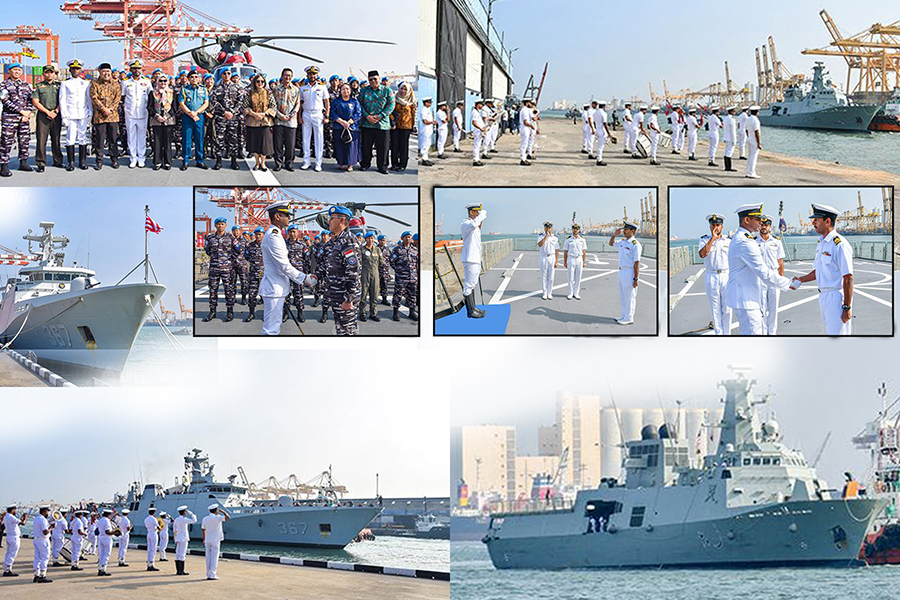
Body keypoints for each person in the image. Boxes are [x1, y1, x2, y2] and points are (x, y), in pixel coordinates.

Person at [725, 203, 792, 335]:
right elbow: (763, 272)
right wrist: (788, 283)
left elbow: (778, 262)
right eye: (757, 219)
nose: (760, 222)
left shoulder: (741, 238)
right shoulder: (746, 242)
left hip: (746, 297)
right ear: (747, 220)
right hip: (746, 299)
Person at [791, 203, 854, 335]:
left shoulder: (839, 244)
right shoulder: (822, 243)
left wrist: (846, 307)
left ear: (828, 221)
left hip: (836, 298)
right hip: (824, 296)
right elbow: (818, 271)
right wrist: (800, 279)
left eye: (816, 219)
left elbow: (848, 277)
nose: (813, 223)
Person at [260, 202, 316, 335]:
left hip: (277, 288)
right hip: (274, 288)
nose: (289, 218)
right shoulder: (273, 236)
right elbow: (284, 266)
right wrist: (305, 279)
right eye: (286, 215)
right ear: (277, 216)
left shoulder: (276, 235)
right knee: (270, 330)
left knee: (275, 326)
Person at [319, 206, 361, 335]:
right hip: (337, 295)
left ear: (342, 220)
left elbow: (353, 272)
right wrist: (317, 275)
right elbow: (332, 266)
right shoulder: (338, 240)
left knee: (347, 331)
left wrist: (349, 298)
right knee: (341, 329)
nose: (329, 221)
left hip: (344, 297)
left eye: (332, 218)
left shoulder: (348, 240)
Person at [698, 213, 732, 335]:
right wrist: (712, 239)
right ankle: (718, 334)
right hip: (711, 276)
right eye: (713, 225)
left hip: (726, 275)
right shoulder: (704, 240)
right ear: (710, 226)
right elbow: (702, 254)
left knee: (727, 308)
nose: (715, 227)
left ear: (722, 227)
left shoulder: (729, 240)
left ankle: (727, 334)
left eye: (718, 225)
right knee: (715, 309)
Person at [58, 60, 93, 172]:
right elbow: (62, 100)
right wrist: (64, 117)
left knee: (83, 138)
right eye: (73, 68)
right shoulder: (65, 83)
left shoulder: (86, 83)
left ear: (80, 70)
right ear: (70, 70)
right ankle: (71, 162)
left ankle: (82, 161)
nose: (75, 70)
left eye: (77, 68)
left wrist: (90, 114)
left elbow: (89, 99)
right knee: (70, 138)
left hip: (83, 114)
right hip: (71, 114)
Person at [0, 63, 34, 176]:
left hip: (24, 118)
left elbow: (30, 100)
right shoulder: (4, 85)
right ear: (9, 71)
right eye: (14, 70)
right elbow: (5, 100)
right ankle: (4, 166)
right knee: (6, 141)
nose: (17, 72)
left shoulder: (25, 85)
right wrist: (21, 111)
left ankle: (23, 162)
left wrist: (28, 113)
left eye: (19, 70)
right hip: (9, 118)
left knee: (24, 140)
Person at [358, 70, 395, 174]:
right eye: (370, 79)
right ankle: (365, 164)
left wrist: (380, 116)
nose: (373, 81)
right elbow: (359, 104)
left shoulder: (387, 91)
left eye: (375, 79)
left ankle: (382, 166)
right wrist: (367, 116)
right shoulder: (364, 91)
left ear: (379, 79)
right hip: (367, 123)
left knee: (383, 148)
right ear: (368, 80)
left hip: (382, 124)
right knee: (366, 146)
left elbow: (391, 105)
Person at [203, 217, 237, 323]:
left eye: (222, 224)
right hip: (214, 268)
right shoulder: (210, 238)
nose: (220, 226)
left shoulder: (231, 238)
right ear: (215, 226)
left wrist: (228, 260)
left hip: (227, 268)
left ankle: (230, 311)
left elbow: (238, 250)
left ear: (226, 225)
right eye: (218, 224)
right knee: (213, 290)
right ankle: (212, 311)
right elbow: (207, 250)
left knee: (228, 290)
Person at [756, 215, 786, 335]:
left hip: (774, 275)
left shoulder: (776, 242)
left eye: (766, 225)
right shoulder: (754, 242)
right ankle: (763, 333)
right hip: (761, 278)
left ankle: (772, 333)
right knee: (761, 308)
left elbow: (780, 262)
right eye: (762, 225)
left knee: (773, 308)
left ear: (770, 227)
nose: (764, 227)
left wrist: (781, 279)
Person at [31, 64, 63, 172]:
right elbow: (35, 101)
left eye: (51, 72)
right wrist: (47, 112)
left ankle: (58, 160)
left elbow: (62, 100)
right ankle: (41, 163)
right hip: (43, 116)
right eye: (47, 72)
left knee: (56, 139)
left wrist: (56, 111)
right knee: (41, 140)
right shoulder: (39, 86)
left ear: (54, 73)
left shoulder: (59, 85)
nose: (49, 74)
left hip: (56, 115)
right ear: (43, 74)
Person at [89, 63, 121, 171]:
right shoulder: (94, 84)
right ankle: (99, 160)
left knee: (113, 139)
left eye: (108, 71)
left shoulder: (116, 84)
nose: (106, 73)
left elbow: (117, 98)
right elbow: (94, 98)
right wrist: (104, 109)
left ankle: (114, 159)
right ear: (100, 72)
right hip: (100, 117)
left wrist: (110, 109)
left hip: (113, 116)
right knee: (100, 140)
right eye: (104, 71)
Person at [297, 66, 329, 172]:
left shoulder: (322, 87)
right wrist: (299, 116)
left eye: (314, 74)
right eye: (310, 74)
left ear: (317, 75)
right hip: (306, 113)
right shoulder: (303, 88)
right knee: (306, 139)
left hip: (318, 114)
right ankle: (306, 162)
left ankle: (318, 163)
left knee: (319, 139)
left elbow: (327, 103)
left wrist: (327, 116)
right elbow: (300, 104)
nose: (312, 76)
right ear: (307, 75)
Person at [121, 59, 152, 168]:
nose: (137, 70)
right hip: (130, 113)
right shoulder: (125, 82)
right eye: (134, 68)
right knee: (131, 136)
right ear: (131, 69)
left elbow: (151, 97)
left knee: (142, 136)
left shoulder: (147, 82)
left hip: (143, 112)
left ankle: (141, 158)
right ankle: (133, 158)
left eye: (139, 68)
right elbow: (123, 96)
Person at [610, 221, 642, 325]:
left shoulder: (635, 245)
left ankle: (629, 317)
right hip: (621, 271)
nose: (624, 231)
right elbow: (611, 244)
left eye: (626, 229)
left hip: (629, 272)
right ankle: (624, 315)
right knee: (623, 295)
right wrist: (614, 235)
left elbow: (636, 263)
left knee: (629, 296)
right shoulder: (623, 242)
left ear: (632, 231)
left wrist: (636, 279)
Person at [212, 69, 244, 170]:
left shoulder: (237, 87)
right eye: (224, 74)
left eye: (228, 73)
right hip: (221, 117)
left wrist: (232, 112)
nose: (226, 75)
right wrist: (224, 112)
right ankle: (219, 161)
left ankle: (234, 161)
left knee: (233, 140)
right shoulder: (216, 87)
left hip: (233, 118)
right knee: (219, 140)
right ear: (221, 75)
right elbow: (213, 101)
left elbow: (240, 101)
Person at [243, 74, 275, 171]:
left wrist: (264, 114)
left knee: (264, 145)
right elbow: (245, 107)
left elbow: (273, 106)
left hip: (265, 122)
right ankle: (257, 163)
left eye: (262, 81)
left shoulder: (268, 93)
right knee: (255, 144)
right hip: (253, 122)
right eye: (258, 81)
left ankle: (263, 163)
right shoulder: (249, 93)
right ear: (254, 82)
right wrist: (254, 114)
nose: (260, 83)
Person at [178, 69, 209, 170]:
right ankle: (186, 161)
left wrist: (197, 112)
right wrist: (191, 114)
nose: (194, 79)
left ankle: (200, 161)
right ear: (188, 78)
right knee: (186, 139)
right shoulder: (184, 89)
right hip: (187, 117)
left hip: (199, 117)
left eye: (196, 77)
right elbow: (182, 103)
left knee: (199, 139)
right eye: (192, 77)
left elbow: (206, 103)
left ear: (199, 78)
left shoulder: (203, 89)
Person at [461, 203, 487, 318]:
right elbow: (474, 224)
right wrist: (482, 215)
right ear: (471, 212)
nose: (479, 215)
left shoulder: (474, 226)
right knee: (469, 285)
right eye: (477, 212)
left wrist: (481, 216)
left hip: (475, 258)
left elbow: (477, 224)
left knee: (472, 284)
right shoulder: (466, 223)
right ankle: (470, 311)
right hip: (470, 259)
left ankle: (473, 307)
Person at [271, 68, 300, 172]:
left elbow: (297, 105)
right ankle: (278, 163)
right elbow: (273, 104)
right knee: (278, 144)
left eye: (289, 76)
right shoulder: (276, 89)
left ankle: (289, 163)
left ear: (291, 77)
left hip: (291, 121)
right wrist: (280, 115)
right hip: (278, 120)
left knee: (290, 144)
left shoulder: (296, 89)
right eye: (285, 75)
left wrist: (290, 115)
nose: (287, 77)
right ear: (282, 76)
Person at [147, 73, 177, 170]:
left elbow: (175, 108)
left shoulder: (172, 92)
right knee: (157, 142)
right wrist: (157, 116)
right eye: (160, 81)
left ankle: (168, 162)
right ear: (157, 82)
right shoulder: (152, 93)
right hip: (156, 121)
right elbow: (149, 107)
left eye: (164, 81)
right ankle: (157, 161)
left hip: (169, 121)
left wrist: (167, 116)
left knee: (167, 142)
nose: (163, 83)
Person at [332, 82, 362, 172]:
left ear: (350, 90)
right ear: (340, 91)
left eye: (347, 89)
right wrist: (341, 122)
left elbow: (358, 113)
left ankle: (350, 164)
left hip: (352, 127)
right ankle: (341, 162)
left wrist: (349, 122)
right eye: (343, 89)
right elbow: (332, 113)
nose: (345, 91)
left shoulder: (354, 101)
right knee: (340, 145)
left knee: (351, 146)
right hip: (339, 126)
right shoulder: (336, 101)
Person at [390, 231, 418, 322]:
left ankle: (412, 312)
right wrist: (398, 270)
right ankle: (395, 312)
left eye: (409, 237)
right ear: (402, 238)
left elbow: (417, 263)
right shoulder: (397, 249)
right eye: (405, 237)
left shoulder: (414, 249)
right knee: (398, 294)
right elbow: (392, 261)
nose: (407, 238)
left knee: (412, 295)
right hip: (401, 277)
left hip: (412, 277)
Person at [201, 504, 230, 581]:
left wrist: (204, 539)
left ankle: (208, 574)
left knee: (208, 558)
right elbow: (228, 518)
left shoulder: (205, 519)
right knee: (214, 557)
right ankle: (212, 574)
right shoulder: (218, 518)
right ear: (216, 510)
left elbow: (203, 529)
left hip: (207, 540)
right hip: (215, 540)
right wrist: (223, 511)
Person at [359, 232, 382, 322]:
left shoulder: (377, 250)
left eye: (372, 238)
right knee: (363, 295)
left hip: (375, 274)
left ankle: (373, 313)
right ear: (365, 239)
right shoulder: (362, 250)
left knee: (374, 295)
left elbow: (381, 262)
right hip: (364, 274)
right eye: (369, 238)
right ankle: (362, 313)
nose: (370, 240)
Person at [244, 227, 265, 322]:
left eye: (260, 234)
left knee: (266, 296)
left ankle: (266, 314)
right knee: (252, 295)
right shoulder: (250, 245)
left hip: (265, 275)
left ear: (263, 235)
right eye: (256, 234)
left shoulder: (267, 245)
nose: (258, 236)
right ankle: (251, 313)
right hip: (253, 273)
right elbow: (246, 256)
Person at [31, 506, 54, 584]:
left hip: (36, 539)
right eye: (47, 511)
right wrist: (51, 527)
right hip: (43, 540)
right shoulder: (43, 519)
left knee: (37, 558)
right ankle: (42, 575)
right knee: (44, 558)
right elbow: (45, 532)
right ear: (44, 511)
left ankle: (36, 575)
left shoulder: (37, 518)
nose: (48, 513)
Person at [564, 224, 587, 300]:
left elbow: (584, 251)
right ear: (572, 230)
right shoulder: (568, 239)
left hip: (579, 259)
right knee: (570, 277)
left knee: (578, 277)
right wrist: (565, 262)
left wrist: (584, 261)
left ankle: (576, 293)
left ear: (579, 230)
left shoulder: (582, 239)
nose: (575, 230)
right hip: (571, 258)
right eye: (574, 229)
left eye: (577, 229)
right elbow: (565, 251)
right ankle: (570, 293)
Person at [538, 221, 559, 300]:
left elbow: (557, 250)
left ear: (551, 228)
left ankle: (549, 293)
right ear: (544, 228)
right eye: (546, 228)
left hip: (552, 257)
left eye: (549, 228)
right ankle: (544, 292)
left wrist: (556, 261)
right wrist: (546, 236)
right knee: (543, 276)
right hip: (543, 257)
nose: (548, 229)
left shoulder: (555, 238)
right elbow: (540, 244)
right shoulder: (541, 236)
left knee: (551, 277)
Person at [173, 506, 196, 576]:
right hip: (184, 539)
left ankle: (178, 571)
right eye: (185, 511)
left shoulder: (176, 520)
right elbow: (194, 520)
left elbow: (174, 530)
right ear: (183, 512)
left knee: (177, 554)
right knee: (182, 554)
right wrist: (191, 514)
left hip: (178, 538)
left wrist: (175, 538)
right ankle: (181, 571)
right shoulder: (184, 519)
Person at [96, 508, 116, 576]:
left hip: (101, 537)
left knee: (101, 554)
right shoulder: (107, 521)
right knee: (106, 554)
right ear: (108, 514)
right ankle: (103, 569)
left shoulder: (100, 520)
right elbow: (107, 532)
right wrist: (115, 532)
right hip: (107, 538)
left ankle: (100, 568)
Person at [744, 105, 762, 178]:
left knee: (750, 156)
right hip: (754, 140)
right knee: (753, 157)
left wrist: (749, 137)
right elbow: (757, 132)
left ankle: (748, 172)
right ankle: (752, 173)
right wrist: (758, 143)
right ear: (757, 112)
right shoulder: (755, 120)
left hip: (749, 139)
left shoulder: (748, 119)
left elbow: (746, 130)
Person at [592, 101, 611, 166]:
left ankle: (599, 158)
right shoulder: (604, 113)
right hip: (602, 131)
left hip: (597, 130)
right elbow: (605, 124)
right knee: (601, 146)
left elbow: (594, 122)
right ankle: (599, 160)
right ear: (603, 106)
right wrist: (609, 133)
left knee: (599, 146)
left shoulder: (595, 113)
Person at [518, 98, 536, 166]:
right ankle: (522, 159)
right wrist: (531, 126)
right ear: (527, 103)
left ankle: (524, 158)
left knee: (525, 144)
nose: (531, 104)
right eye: (530, 103)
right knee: (524, 144)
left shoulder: (525, 109)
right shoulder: (524, 110)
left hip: (526, 128)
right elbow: (525, 122)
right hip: (525, 128)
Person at [418, 96, 435, 166]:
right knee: (425, 144)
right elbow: (424, 121)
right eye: (429, 102)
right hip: (425, 130)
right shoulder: (424, 110)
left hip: (428, 130)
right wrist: (432, 122)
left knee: (428, 144)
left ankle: (426, 158)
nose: (430, 104)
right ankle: (424, 159)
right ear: (426, 103)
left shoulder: (428, 110)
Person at [470, 99, 487, 167]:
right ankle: (475, 160)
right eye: (481, 104)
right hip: (478, 131)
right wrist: (480, 128)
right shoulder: (475, 112)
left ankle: (477, 159)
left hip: (480, 130)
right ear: (478, 105)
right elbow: (473, 122)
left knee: (478, 145)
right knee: (476, 145)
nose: (482, 106)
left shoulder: (477, 112)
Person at [377, 235, 392, 305]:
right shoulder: (375, 249)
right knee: (375, 286)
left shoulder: (388, 249)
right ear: (378, 241)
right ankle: (373, 300)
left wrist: (388, 271)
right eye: (381, 240)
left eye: (384, 240)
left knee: (385, 285)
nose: (382, 242)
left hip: (385, 271)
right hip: (376, 271)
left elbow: (391, 260)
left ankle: (384, 299)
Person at [144, 507, 160, 571]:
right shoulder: (154, 519)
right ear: (153, 512)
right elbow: (158, 527)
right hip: (153, 534)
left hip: (148, 534)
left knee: (149, 549)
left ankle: (148, 563)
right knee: (153, 549)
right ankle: (151, 564)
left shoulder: (146, 519)